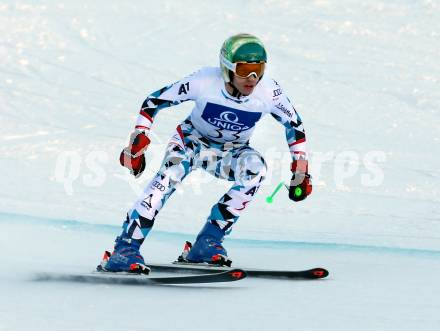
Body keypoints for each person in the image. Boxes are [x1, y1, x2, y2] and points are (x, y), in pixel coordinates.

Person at [99, 33, 312, 273]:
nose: (252, 78)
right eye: (244, 70)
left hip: (231, 153)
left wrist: (300, 170)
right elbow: (154, 101)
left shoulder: (270, 92)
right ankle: (125, 248)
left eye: (258, 69)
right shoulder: (204, 81)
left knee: (256, 170)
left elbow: (295, 126)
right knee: (169, 176)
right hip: (191, 143)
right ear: (228, 69)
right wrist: (138, 137)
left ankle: (207, 243)